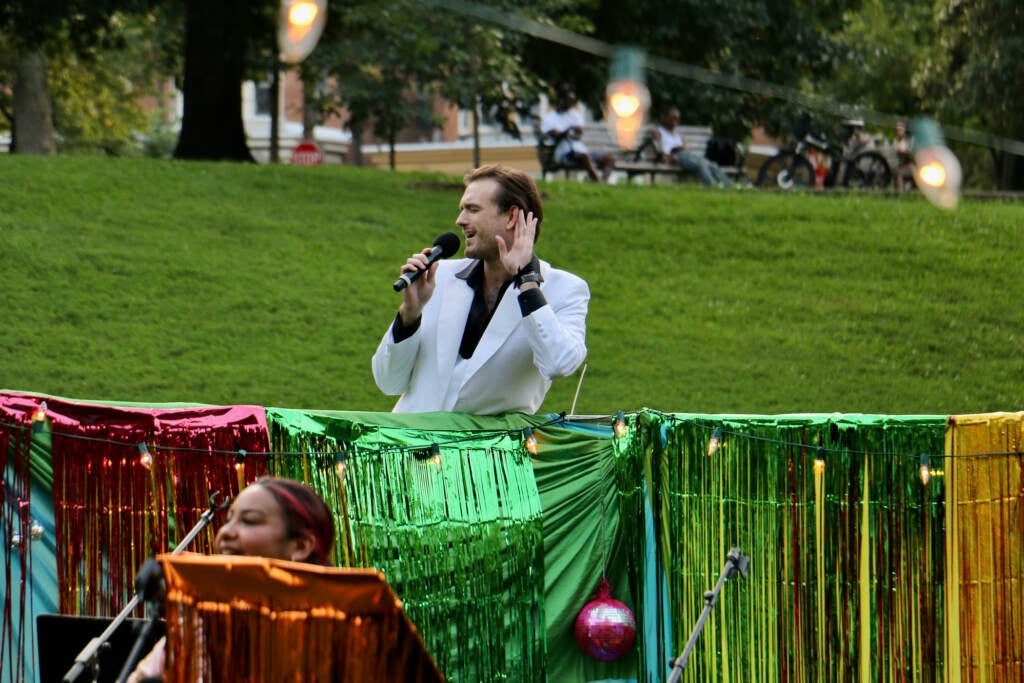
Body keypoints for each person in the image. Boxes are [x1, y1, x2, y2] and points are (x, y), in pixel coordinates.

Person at [372, 164, 589, 415]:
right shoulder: (437, 277)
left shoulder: (565, 289)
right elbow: (388, 382)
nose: (460, 221)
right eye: (462, 209)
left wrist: (527, 283)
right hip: (413, 448)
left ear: (511, 217)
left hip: (486, 452)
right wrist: (409, 315)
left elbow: (559, 363)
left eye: (473, 210)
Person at [126, 477, 336, 683]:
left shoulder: (333, 638)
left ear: (300, 547)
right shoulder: (197, 632)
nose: (225, 532)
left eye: (250, 521)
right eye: (227, 521)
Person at [540, 89, 615, 182]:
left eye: (571, 101)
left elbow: (578, 134)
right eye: (567, 101)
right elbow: (555, 135)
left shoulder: (574, 114)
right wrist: (568, 130)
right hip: (564, 153)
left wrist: (574, 132)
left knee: (609, 160)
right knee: (583, 156)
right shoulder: (549, 119)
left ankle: (603, 182)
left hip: (581, 150)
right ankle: (596, 180)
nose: (570, 104)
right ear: (560, 100)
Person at [655, 107, 733, 187]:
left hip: (686, 155)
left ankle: (730, 185)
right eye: (673, 118)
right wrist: (668, 157)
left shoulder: (678, 135)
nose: (675, 121)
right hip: (675, 156)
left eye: (677, 118)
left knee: (711, 165)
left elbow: (686, 148)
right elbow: (659, 150)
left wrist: (683, 148)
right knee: (700, 166)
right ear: (665, 117)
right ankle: (713, 186)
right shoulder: (659, 132)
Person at [893, 119, 915, 192]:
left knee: (898, 173)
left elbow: (911, 154)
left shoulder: (910, 140)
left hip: (910, 166)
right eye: (898, 128)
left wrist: (904, 151)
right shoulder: (896, 140)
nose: (898, 130)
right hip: (899, 165)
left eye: (901, 128)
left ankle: (900, 193)